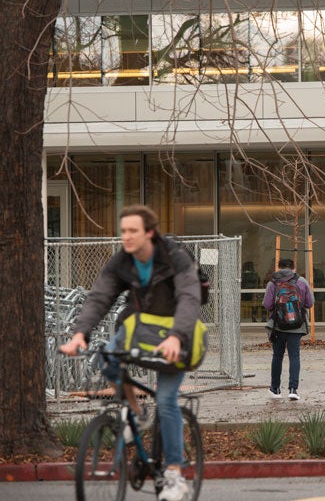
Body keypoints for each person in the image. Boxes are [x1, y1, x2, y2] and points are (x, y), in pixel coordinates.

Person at [60, 205, 200, 501]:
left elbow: (189, 297)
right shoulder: (122, 262)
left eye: (133, 231)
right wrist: (79, 334)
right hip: (139, 330)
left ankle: (175, 472)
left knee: (165, 399)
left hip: (177, 334)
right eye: (123, 231)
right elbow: (100, 297)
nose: (126, 236)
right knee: (107, 359)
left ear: (149, 232)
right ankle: (137, 413)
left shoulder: (175, 257)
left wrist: (176, 336)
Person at [263, 258, 314, 400]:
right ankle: (293, 389)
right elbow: (310, 303)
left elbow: (267, 304)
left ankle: (275, 389)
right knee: (295, 356)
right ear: (293, 267)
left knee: (277, 356)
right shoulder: (301, 281)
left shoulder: (273, 282)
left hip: (278, 326)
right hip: (297, 326)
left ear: (278, 267)